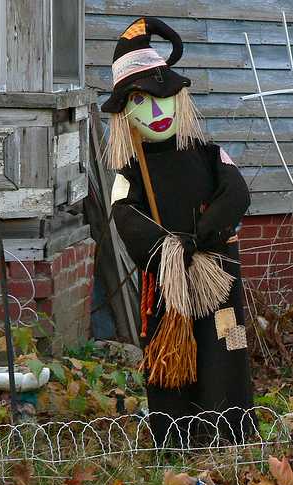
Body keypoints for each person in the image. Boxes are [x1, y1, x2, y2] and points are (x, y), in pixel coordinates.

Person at [102, 17, 256, 446]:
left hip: (219, 278)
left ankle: (231, 434)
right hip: (167, 286)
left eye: (163, 97)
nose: (155, 110)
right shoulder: (129, 173)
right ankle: (177, 441)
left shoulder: (209, 155)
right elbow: (128, 222)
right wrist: (172, 252)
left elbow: (236, 195)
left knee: (226, 345)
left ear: (178, 98)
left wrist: (200, 238)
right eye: (140, 101)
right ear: (125, 113)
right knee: (170, 359)